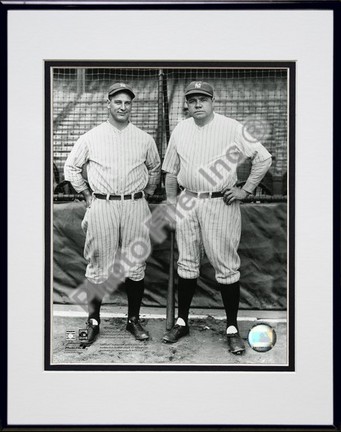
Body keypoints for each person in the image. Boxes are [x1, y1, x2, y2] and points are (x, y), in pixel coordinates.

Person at [161, 81, 272, 354]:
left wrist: (245, 190)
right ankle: (182, 320)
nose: (197, 104)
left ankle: (232, 327)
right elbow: (171, 172)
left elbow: (264, 158)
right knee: (187, 263)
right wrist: (173, 204)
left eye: (203, 99)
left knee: (225, 265)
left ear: (213, 102)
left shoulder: (231, 127)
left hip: (219, 202)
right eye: (192, 99)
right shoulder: (181, 129)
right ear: (186, 104)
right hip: (188, 200)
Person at [64, 82, 161, 346]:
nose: (122, 106)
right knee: (97, 264)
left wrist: (147, 192)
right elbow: (71, 168)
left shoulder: (144, 138)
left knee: (135, 263)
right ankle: (94, 321)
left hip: (134, 204)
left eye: (127, 102)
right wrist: (85, 194)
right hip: (103, 203)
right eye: (117, 101)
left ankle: (133, 319)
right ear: (108, 104)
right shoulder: (91, 136)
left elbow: (155, 168)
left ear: (132, 105)